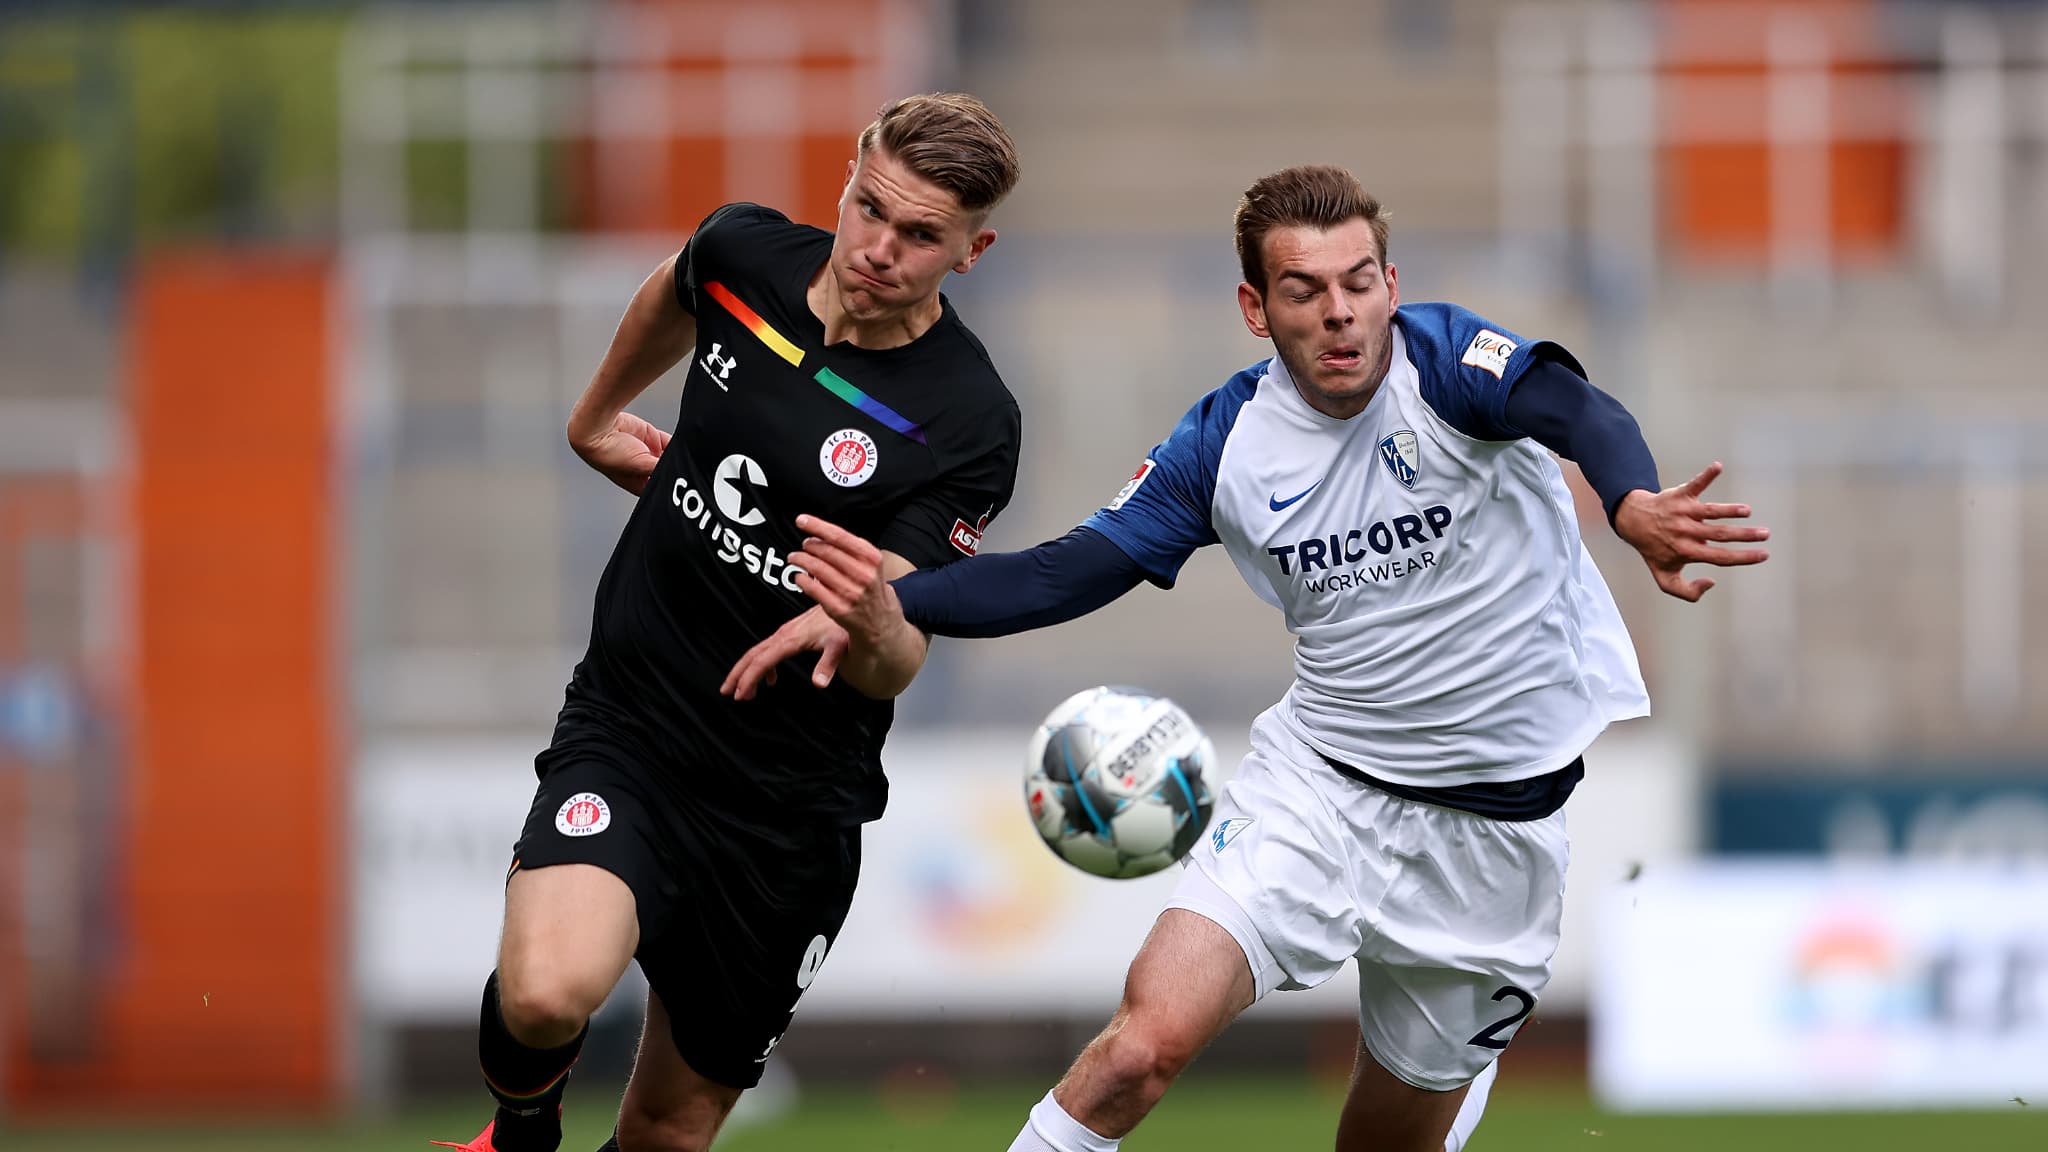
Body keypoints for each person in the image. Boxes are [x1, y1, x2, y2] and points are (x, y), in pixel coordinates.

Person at [723, 164, 1771, 1152]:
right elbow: (1071, 568)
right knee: (1139, 1051)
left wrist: (1631, 500)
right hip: (1318, 794)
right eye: (1303, 289)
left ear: (1388, 286)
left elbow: (1577, 409)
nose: (1338, 312)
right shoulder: (1223, 443)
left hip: (1493, 844)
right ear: (1253, 308)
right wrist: (887, 601)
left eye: (1359, 284)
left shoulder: (1448, 365)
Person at [435, 93, 1024, 1152]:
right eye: (868, 208)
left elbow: (894, 662)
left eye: (920, 234)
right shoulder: (743, 254)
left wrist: (864, 616)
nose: (880, 248)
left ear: (970, 250)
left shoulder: (967, 419)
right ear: (845, 179)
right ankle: (519, 1135)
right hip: (636, 727)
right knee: (543, 992)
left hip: (786, 804)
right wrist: (594, 417)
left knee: (666, 1129)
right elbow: (677, 284)